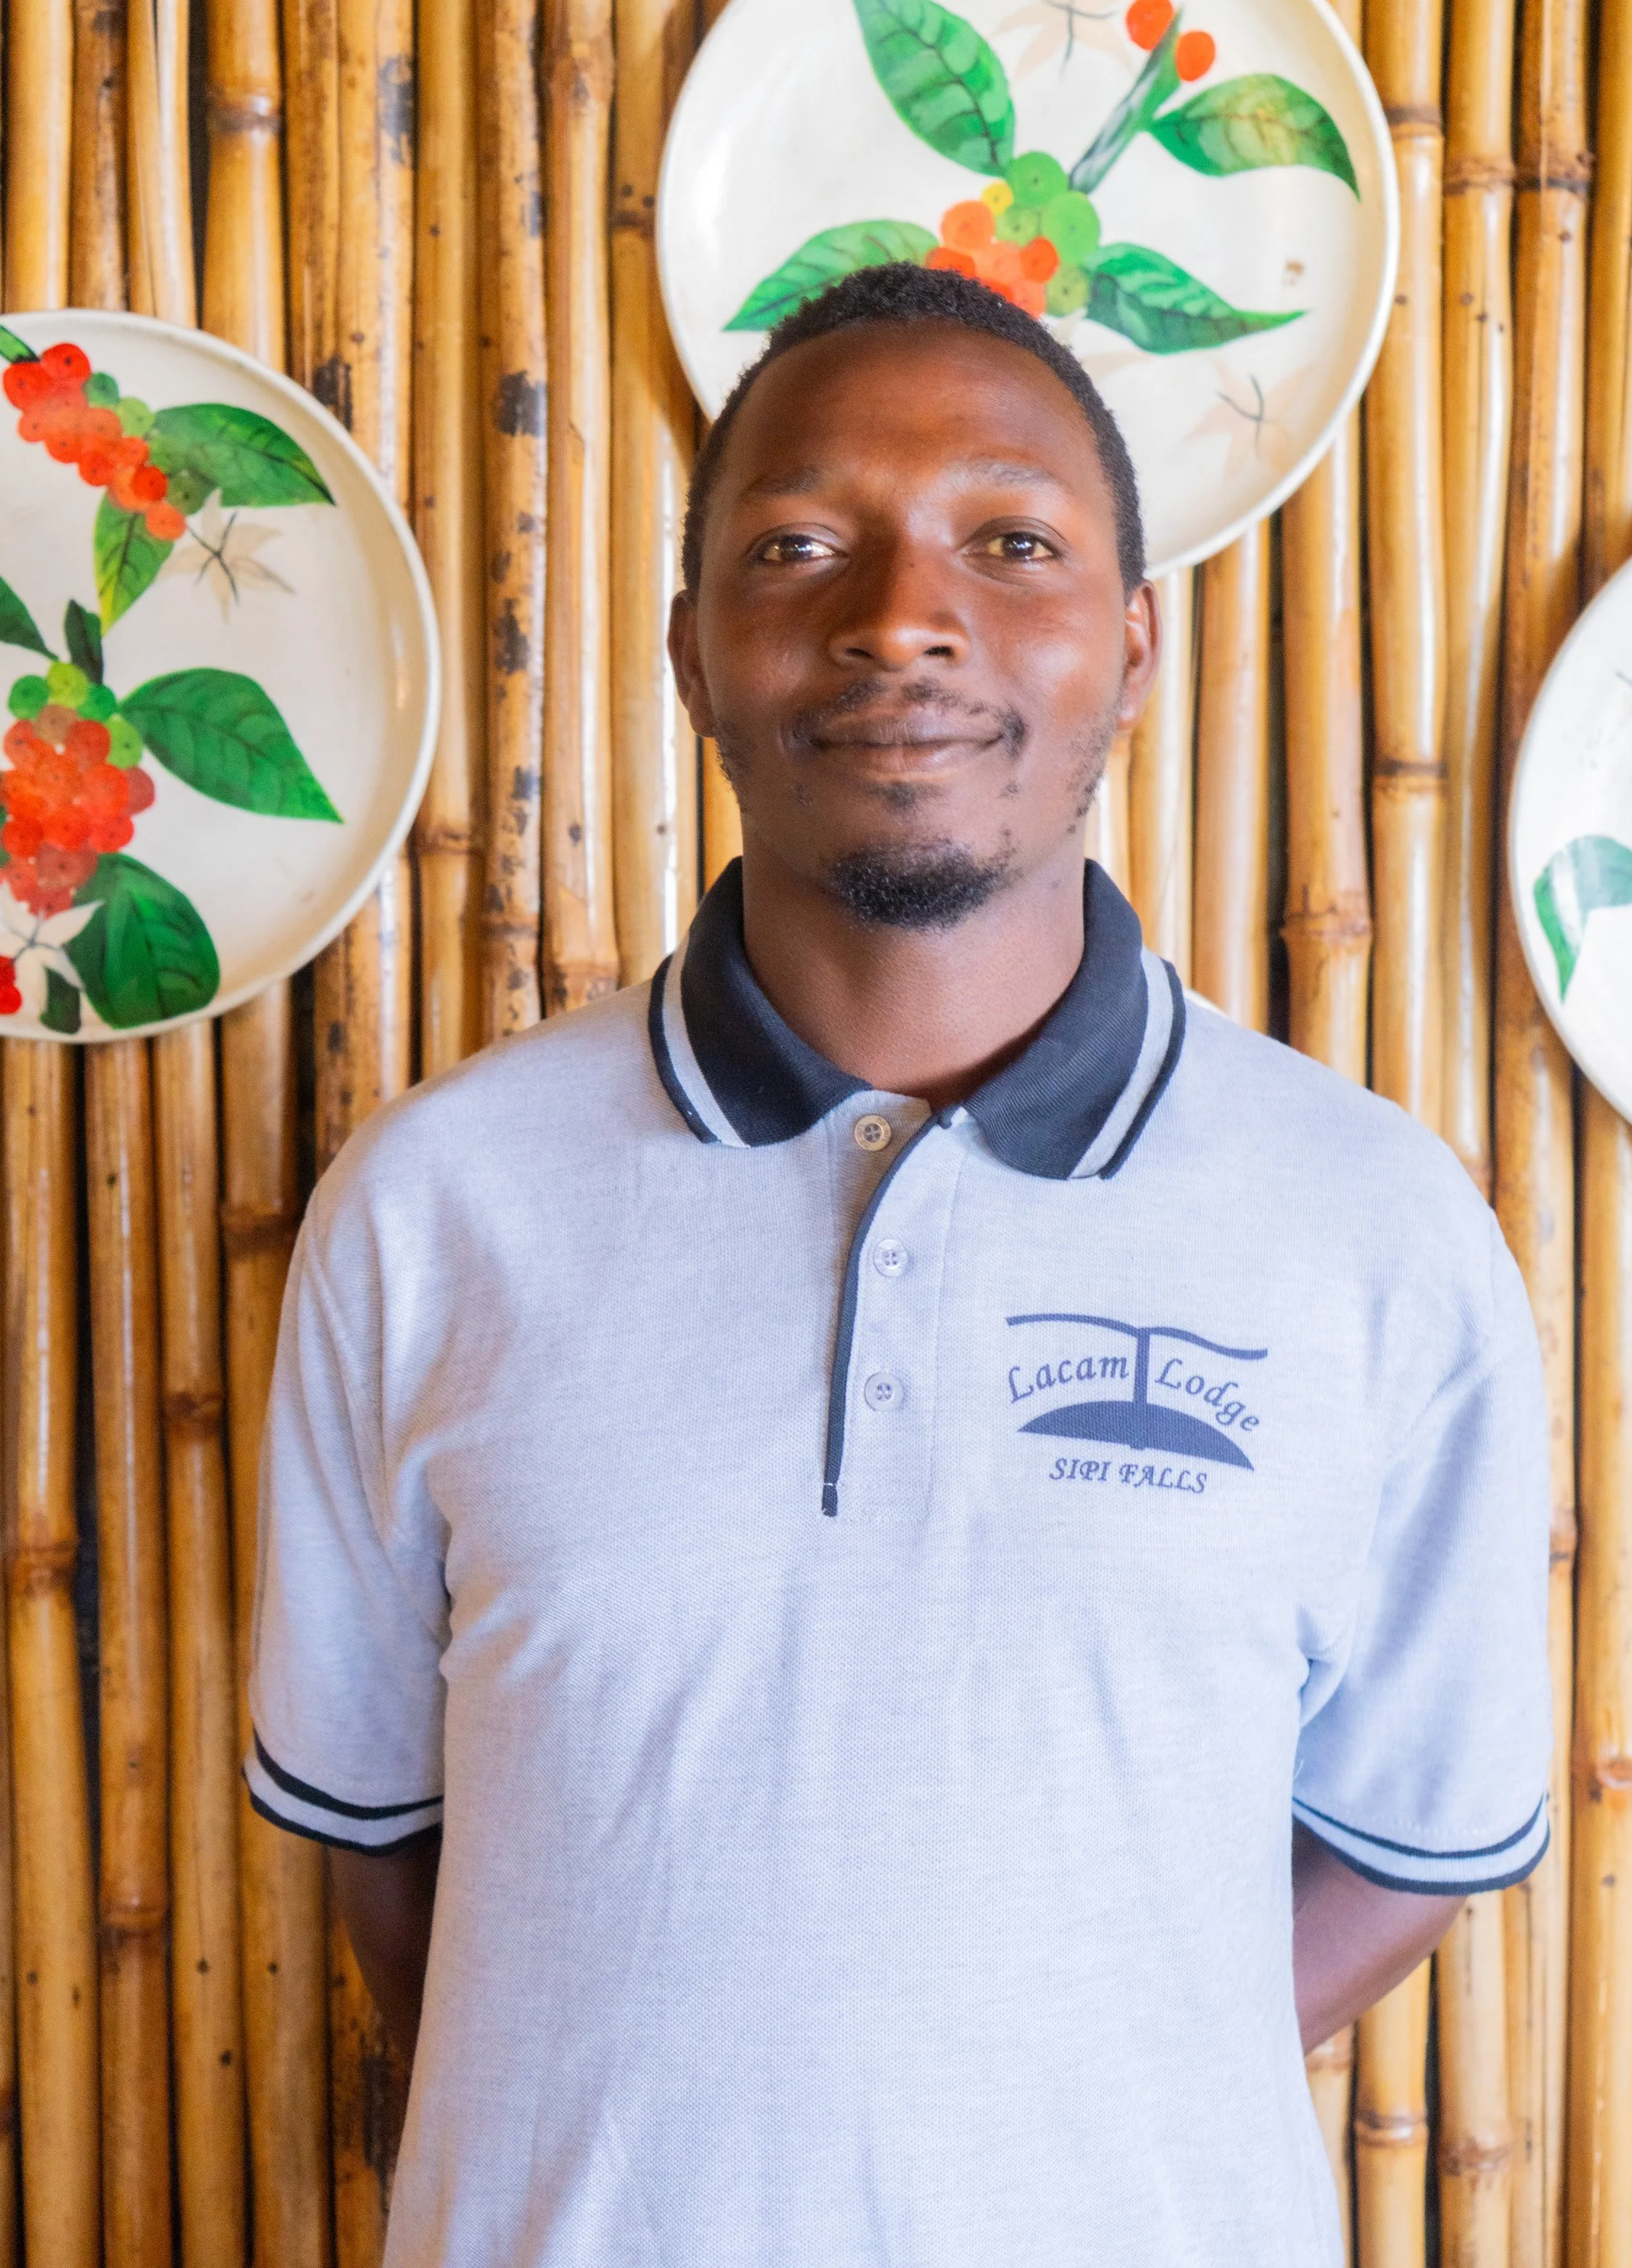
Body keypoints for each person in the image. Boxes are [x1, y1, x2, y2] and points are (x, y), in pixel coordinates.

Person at [248, 262, 1551, 2267]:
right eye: (797, 543)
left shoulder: (1370, 1236)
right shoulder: (437, 1208)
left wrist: (1063, 2090)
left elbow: (1402, 1852)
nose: (899, 616)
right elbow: (384, 1850)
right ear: (691, 650)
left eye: (1006, 540)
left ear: (1127, 646)